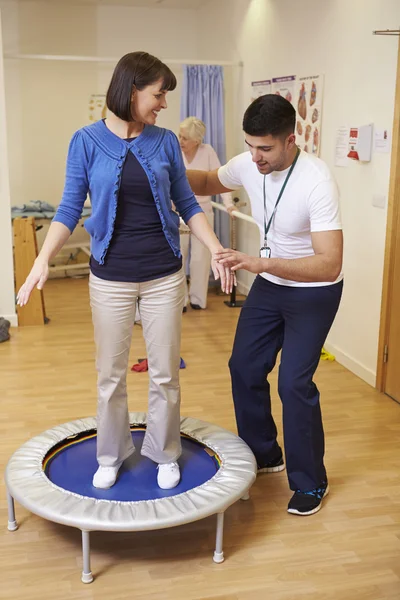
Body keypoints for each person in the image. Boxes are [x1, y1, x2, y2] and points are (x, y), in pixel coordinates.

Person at [16, 51, 233, 491]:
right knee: (110, 375)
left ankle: (164, 452)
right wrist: (42, 260)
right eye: (159, 94)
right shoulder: (86, 140)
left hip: (163, 274)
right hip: (110, 277)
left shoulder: (166, 142)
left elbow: (187, 203)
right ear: (132, 90)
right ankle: (111, 454)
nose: (163, 104)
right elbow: (69, 206)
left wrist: (216, 249)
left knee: (165, 372)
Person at [186, 94, 343, 515]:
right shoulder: (248, 162)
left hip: (313, 293)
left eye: (265, 149)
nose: (255, 158)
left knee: (293, 383)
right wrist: (161, 169)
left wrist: (258, 262)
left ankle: (311, 482)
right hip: (271, 286)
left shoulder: (317, 180)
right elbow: (204, 183)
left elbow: (329, 265)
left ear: (291, 140)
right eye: (250, 145)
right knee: (244, 366)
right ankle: (265, 454)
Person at [178, 117, 235, 310]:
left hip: (202, 211)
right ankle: (181, 301)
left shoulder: (207, 152)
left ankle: (197, 299)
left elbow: (221, 180)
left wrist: (229, 205)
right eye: (180, 136)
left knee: (200, 258)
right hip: (178, 212)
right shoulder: (176, 152)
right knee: (179, 256)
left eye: (185, 138)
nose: (180, 141)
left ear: (196, 140)